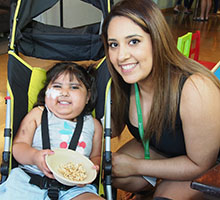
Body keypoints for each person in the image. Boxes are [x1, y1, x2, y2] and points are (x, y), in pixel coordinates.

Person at [101, 0, 220, 199]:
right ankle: (152, 187)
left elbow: (201, 163)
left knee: (163, 197)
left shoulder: (195, 88)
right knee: (111, 170)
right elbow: (109, 130)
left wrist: (136, 166)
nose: (121, 56)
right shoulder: (124, 83)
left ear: (157, 40)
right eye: (114, 44)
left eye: (134, 41)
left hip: (207, 166)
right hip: (164, 152)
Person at [0, 62, 104, 200]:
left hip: (75, 188)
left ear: (87, 97)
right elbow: (19, 146)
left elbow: (95, 156)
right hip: (29, 180)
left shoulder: (93, 125)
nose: (64, 92)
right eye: (57, 86)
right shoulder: (37, 114)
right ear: (46, 93)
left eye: (74, 87)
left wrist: (93, 168)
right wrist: (34, 157)